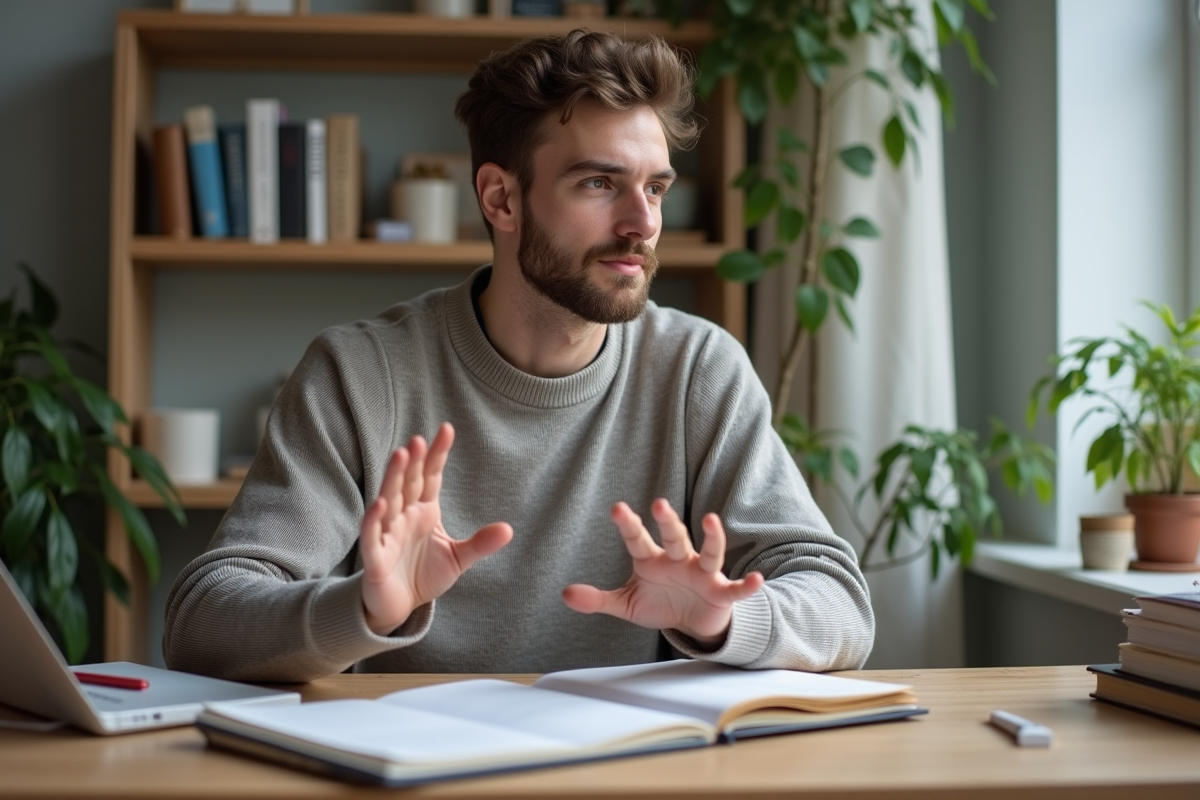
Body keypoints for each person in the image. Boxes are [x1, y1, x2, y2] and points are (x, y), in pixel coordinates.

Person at [163, 29, 874, 682]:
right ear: (501, 199)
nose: (643, 223)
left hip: (632, 760)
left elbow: (840, 604)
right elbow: (201, 621)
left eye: (655, 187)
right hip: (416, 762)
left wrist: (723, 621)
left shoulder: (697, 370)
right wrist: (366, 608)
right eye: (600, 184)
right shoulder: (360, 375)